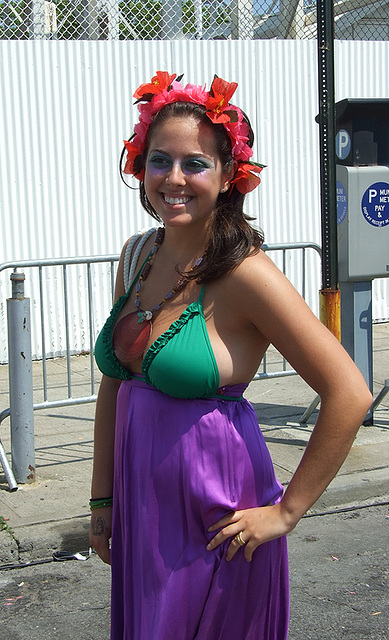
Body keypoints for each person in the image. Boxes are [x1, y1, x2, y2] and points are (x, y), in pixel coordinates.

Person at [89, 71, 372, 640]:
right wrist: (103, 500)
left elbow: (349, 392)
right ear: (139, 167)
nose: (173, 178)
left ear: (227, 176)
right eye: (158, 160)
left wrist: (287, 512)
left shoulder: (246, 273)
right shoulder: (137, 254)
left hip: (218, 514)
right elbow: (115, 384)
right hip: (143, 510)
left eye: (195, 163)